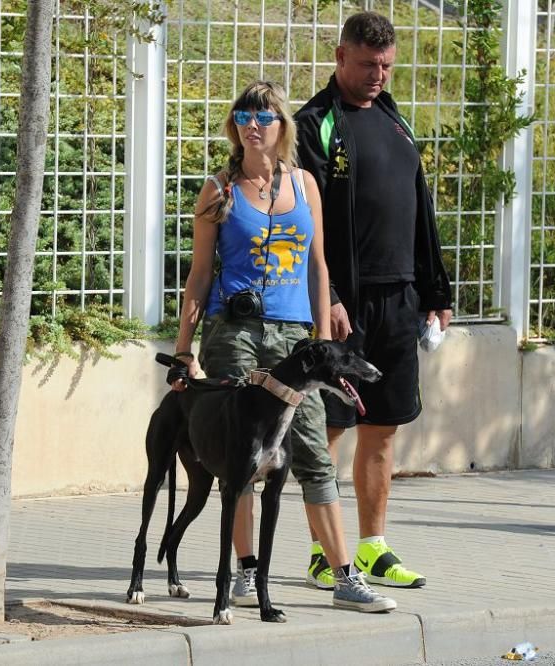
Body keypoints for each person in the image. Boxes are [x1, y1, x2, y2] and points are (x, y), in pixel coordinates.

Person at [170, 80, 396, 613]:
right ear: (235, 125)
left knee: (314, 451)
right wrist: (184, 350)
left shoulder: (305, 185)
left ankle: (344, 575)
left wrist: (322, 341)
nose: (254, 123)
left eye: (265, 116)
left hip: (296, 340)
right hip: (235, 335)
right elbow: (200, 275)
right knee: (241, 457)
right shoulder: (218, 189)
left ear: (281, 127)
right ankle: (247, 573)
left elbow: (319, 267)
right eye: (244, 114)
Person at [294, 12, 453, 589]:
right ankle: (321, 550)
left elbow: (421, 208)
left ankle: (372, 546)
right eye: (367, 64)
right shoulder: (315, 124)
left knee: (383, 429)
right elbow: (307, 227)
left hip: (400, 300)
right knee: (329, 431)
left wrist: (437, 291)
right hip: (344, 309)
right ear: (340, 58)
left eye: (386, 64)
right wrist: (328, 296)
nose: (378, 75)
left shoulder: (394, 121)